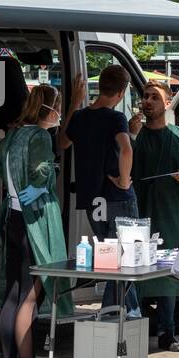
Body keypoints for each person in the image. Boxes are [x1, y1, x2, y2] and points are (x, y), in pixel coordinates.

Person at [0, 84, 70, 358]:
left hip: (13, 219)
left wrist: (14, 183)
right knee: (31, 296)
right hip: (35, 221)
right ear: (49, 109)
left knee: (14, 295)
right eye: (58, 107)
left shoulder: (15, 133)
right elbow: (42, 169)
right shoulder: (41, 136)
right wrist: (40, 184)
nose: (59, 114)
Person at [59, 65, 140, 317]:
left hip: (91, 199)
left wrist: (74, 104)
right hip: (117, 197)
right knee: (124, 258)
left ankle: (129, 310)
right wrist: (125, 179)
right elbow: (125, 150)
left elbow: (62, 143)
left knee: (109, 255)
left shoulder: (82, 117)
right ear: (122, 91)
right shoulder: (116, 118)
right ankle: (114, 312)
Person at [130, 83, 179, 351]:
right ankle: (133, 327)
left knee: (169, 272)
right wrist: (130, 136)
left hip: (170, 213)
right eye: (145, 97)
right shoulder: (134, 134)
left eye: (154, 97)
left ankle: (167, 333)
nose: (147, 101)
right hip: (138, 214)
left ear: (167, 103)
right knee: (135, 272)